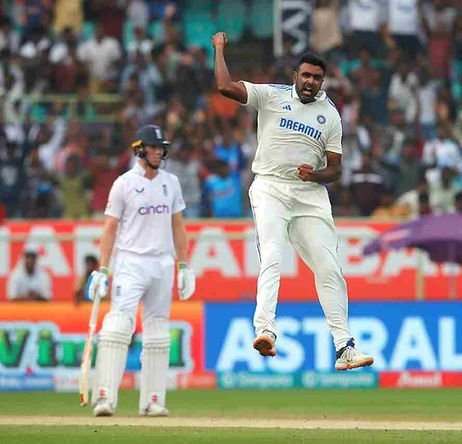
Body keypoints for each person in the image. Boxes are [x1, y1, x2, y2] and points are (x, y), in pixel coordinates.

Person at [211, 31, 374, 371]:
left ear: (323, 81)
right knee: (272, 256)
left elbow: (335, 170)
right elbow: (225, 87)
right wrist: (219, 49)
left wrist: (313, 176)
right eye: (306, 75)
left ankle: (344, 347)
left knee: (329, 266)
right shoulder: (271, 96)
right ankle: (266, 331)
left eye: (317, 77)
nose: (310, 82)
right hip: (270, 187)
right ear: (295, 76)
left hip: (309, 194)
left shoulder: (330, 115)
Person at [85, 124, 196, 417]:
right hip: (130, 262)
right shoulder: (123, 183)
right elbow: (110, 228)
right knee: (119, 327)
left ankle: (153, 400)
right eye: (153, 147)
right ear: (140, 149)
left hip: (162, 263)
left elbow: (178, 226)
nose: (159, 151)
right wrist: (102, 270)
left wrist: (183, 265)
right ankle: (105, 397)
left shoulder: (170, 182)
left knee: (158, 332)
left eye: (161, 147)